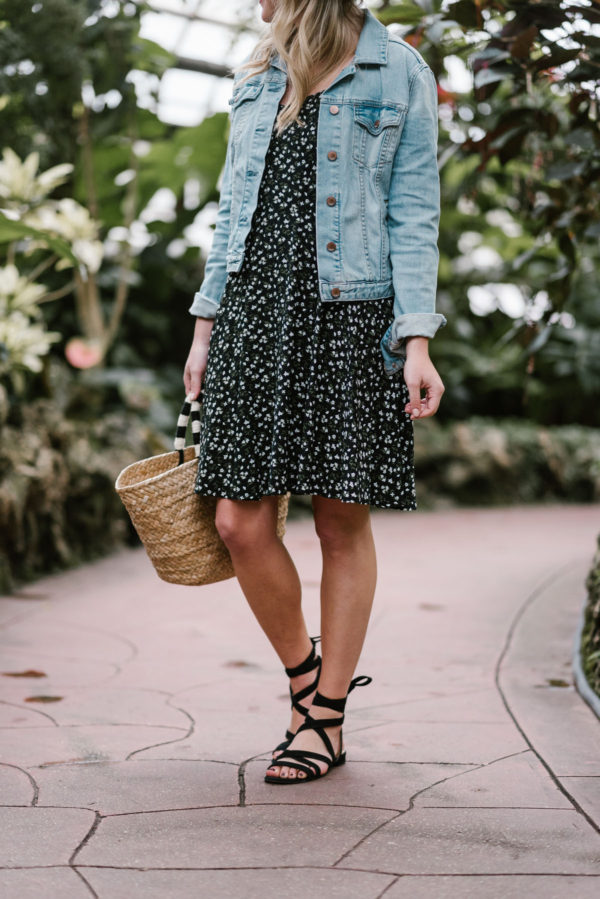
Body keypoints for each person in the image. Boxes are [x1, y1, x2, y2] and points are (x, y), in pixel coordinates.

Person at [183, 0, 446, 784]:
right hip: (255, 312)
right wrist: (204, 329)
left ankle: (323, 719)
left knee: (340, 517)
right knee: (238, 520)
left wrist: (417, 341)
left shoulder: (397, 70)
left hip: (350, 313)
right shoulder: (258, 73)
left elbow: (414, 213)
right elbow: (233, 208)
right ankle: (308, 674)